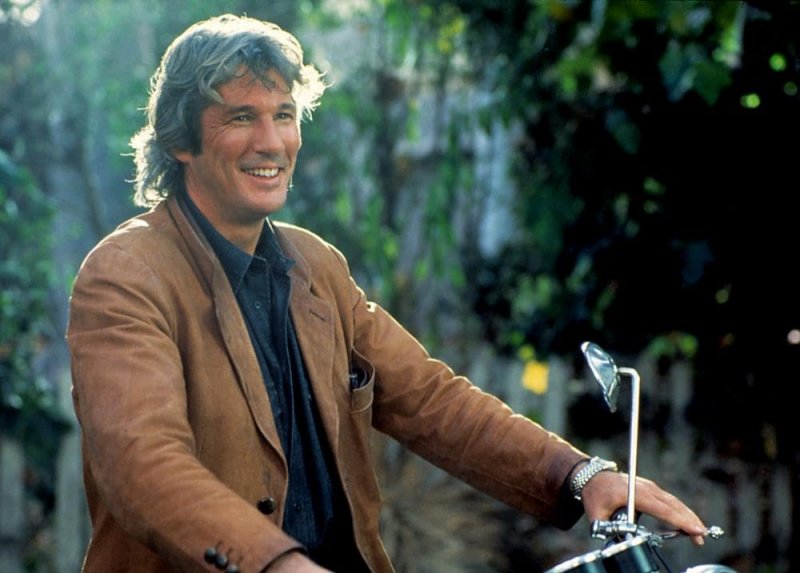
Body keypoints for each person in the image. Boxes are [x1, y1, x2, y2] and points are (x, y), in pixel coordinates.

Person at [66, 13, 710, 573]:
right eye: (241, 117)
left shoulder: (315, 266)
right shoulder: (125, 276)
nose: (272, 141)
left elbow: (432, 399)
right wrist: (276, 563)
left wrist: (580, 475)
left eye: (284, 115)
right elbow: (144, 466)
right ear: (180, 141)